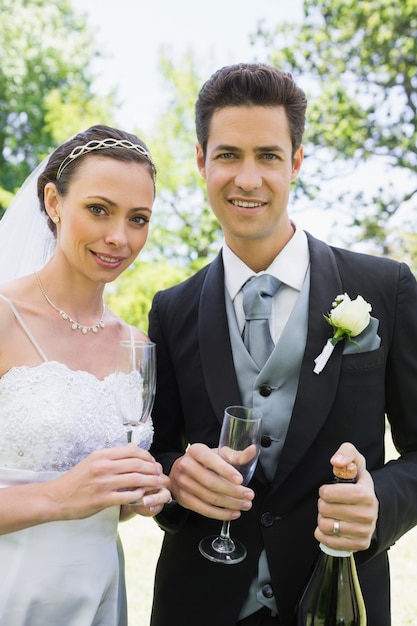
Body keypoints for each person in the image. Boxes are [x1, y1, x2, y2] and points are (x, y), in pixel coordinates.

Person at [147, 63, 417, 626]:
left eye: (268, 155)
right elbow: (155, 454)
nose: (247, 179)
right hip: (198, 604)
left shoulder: (384, 288)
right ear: (201, 161)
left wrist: (380, 504)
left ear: (296, 161)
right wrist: (174, 478)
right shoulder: (170, 308)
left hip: (339, 603)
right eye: (228, 155)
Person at [0, 124, 171, 626]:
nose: (119, 237)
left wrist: (137, 496)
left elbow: (104, 501)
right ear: (53, 202)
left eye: (137, 219)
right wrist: (58, 496)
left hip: (98, 593)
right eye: (99, 209)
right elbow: (67, 491)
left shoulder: (137, 346)